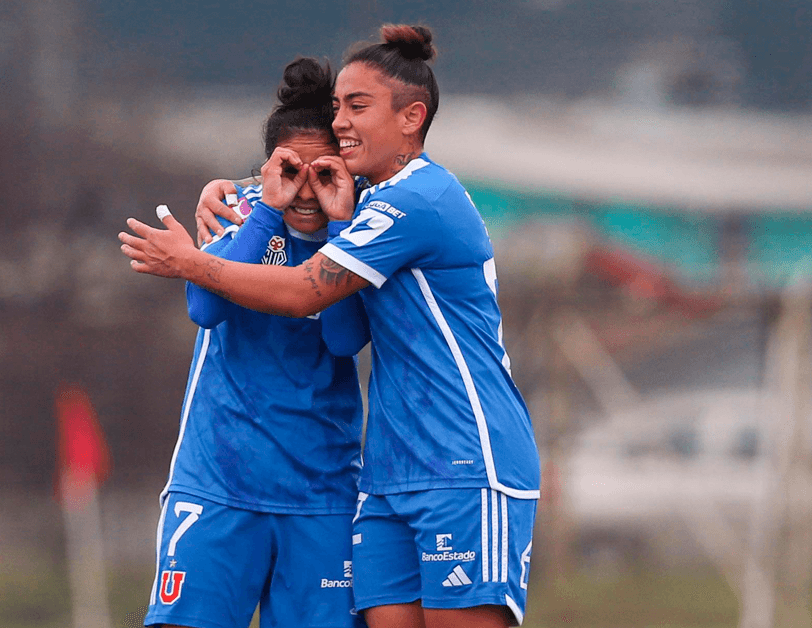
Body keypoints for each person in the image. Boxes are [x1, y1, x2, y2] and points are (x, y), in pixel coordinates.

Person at [122, 25, 540, 628]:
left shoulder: (402, 204)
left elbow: (326, 318)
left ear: (410, 117)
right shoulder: (261, 210)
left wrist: (190, 259)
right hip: (283, 478)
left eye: (356, 108)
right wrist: (247, 200)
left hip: (429, 469)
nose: (342, 126)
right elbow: (207, 308)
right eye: (340, 107)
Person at [143, 57, 370, 628]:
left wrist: (340, 228)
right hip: (219, 483)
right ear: (268, 166)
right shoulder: (238, 211)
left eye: (324, 169)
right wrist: (266, 210)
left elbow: (345, 340)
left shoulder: (364, 228)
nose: (306, 186)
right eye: (291, 169)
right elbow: (205, 307)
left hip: (322, 493)